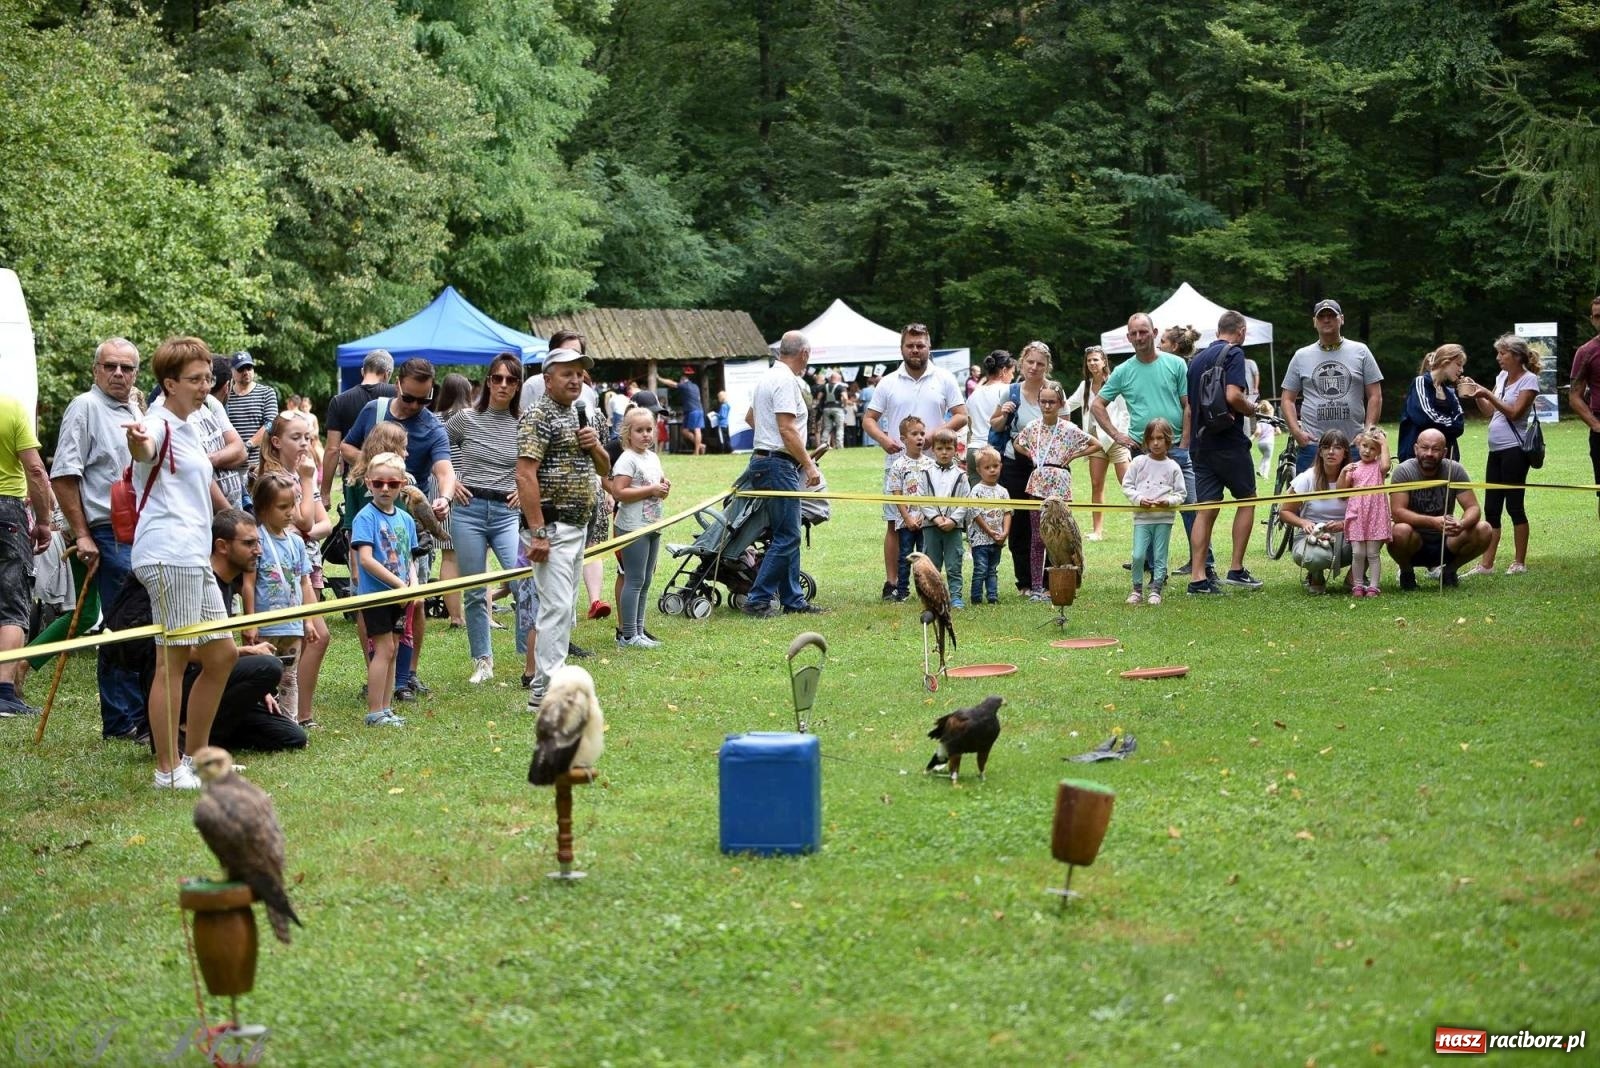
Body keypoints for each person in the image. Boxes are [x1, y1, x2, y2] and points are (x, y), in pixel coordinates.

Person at [126, 337, 238, 789]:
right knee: (170, 662)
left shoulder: (192, 423)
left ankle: (197, 759)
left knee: (223, 654)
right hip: (168, 553)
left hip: (194, 553)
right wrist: (136, 441)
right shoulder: (156, 422)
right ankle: (167, 770)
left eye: (208, 377)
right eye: (195, 379)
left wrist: (230, 515)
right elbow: (143, 447)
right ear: (168, 384)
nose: (205, 386)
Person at [49, 338, 149, 740]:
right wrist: (84, 534)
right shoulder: (84, 407)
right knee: (124, 621)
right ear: (96, 370)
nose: (118, 374)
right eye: (110, 366)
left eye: (126, 368)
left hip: (141, 530)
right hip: (107, 531)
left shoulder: (136, 409)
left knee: (139, 619)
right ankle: (122, 719)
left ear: (136, 374)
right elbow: (63, 475)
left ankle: (141, 713)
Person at [340, 357, 458, 698]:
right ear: (398, 385)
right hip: (368, 517)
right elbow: (346, 446)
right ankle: (377, 672)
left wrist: (445, 499)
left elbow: (444, 470)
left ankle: (406, 675)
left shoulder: (432, 427)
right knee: (371, 599)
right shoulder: (374, 411)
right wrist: (374, 464)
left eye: (424, 400)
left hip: (407, 523)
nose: (416, 406)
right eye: (409, 398)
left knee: (415, 600)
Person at [518, 347, 613, 710]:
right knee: (556, 608)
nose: (575, 380)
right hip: (551, 526)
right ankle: (546, 691)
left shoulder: (578, 413)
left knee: (564, 609)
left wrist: (595, 446)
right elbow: (525, 473)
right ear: (547, 378)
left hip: (578, 525)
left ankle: (548, 686)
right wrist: (538, 531)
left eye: (579, 373)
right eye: (566, 373)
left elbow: (604, 470)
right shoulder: (538, 415)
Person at [863, 324, 967, 601]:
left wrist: (935, 435)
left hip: (935, 467)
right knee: (895, 523)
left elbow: (961, 415)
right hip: (899, 465)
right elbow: (868, 419)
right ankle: (892, 582)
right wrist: (884, 440)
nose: (915, 350)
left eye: (920, 345)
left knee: (932, 524)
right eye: (910, 345)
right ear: (902, 348)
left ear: (928, 346)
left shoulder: (943, 378)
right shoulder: (888, 381)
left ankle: (929, 580)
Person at [1091, 314, 1195, 575]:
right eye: (1134, 334)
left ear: (1154, 332)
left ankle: (1204, 564)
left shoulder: (1176, 364)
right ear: (1128, 337)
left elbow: (1187, 405)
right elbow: (1097, 405)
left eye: (1143, 332)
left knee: (1191, 507)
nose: (1138, 338)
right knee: (1147, 509)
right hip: (1142, 451)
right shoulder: (1124, 371)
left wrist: (1184, 442)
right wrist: (1118, 436)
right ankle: (1151, 565)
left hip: (1177, 451)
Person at [446, 353, 523, 684]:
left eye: (510, 379)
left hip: (507, 512)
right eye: (497, 378)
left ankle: (529, 656)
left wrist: (524, 488)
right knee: (475, 589)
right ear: (488, 381)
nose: (503, 384)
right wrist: (453, 480)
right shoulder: (465, 418)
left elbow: (535, 464)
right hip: (469, 510)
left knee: (523, 581)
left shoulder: (523, 423)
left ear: (518, 385)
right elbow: (438, 446)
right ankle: (483, 661)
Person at [252, 410, 332, 726]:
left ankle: (298, 713)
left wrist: (305, 530)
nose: (304, 444)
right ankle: (295, 715)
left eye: (308, 438)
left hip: (303, 561)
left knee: (313, 638)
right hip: (278, 571)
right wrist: (310, 480)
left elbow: (321, 523)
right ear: (276, 441)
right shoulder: (275, 479)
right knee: (314, 637)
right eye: (295, 438)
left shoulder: (298, 473)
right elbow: (307, 520)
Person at [738, 331, 823, 618]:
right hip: (779, 463)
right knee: (788, 535)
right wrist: (808, 464)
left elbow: (751, 419)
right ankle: (758, 599)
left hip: (765, 461)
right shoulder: (787, 381)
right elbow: (787, 428)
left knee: (786, 532)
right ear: (804, 354)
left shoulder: (767, 378)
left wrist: (767, 439)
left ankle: (793, 599)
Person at [1184, 311, 1264, 594]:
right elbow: (1233, 396)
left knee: (1206, 509)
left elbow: (1191, 407)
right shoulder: (1235, 354)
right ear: (1240, 331)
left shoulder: (1195, 361)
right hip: (1228, 441)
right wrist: (1253, 408)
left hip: (1200, 444)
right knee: (1247, 499)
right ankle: (1236, 569)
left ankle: (1198, 578)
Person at [1459, 333, 1541, 576]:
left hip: (1515, 452)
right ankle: (1486, 564)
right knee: (1492, 508)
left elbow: (1515, 413)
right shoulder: (1503, 377)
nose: (1498, 358)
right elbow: (1489, 412)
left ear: (1516, 356)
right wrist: (1477, 395)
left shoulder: (1529, 381)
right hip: (1495, 451)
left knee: (1515, 506)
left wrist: (1488, 394)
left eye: (1502, 353)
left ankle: (1519, 562)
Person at [1013, 380, 1101, 598]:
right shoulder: (1033, 427)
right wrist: (1030, 454)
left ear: (1061, 403)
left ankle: (1057, 583)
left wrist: (1073, 455)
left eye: (1052, 402)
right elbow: (1018, 442)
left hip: (1060, 484)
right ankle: (1035, 587)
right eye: (1043, 402)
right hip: (1038, 481)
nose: (1047, 406)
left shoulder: (1069, 429)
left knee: (1061, 537)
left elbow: (1096, 444)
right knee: (1037, 537)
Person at [352, 452, 417, 727]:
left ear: (402, 484)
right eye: (378, 483)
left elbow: (409, 558)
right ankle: (374, 711)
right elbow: (365, 560)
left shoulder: (406, 519)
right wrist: (399, 585)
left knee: (392, 648)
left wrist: (413, 586)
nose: (385, 489)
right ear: (368, 483)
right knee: (382, 649)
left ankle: (386, 708)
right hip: (377, 596)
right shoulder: (365, 518)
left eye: (392, 483)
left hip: (401, 597)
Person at [1280, 299, 1382, 473]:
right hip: (1313, 446)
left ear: (1341, 319)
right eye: (1321, 317)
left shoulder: (1361, 351)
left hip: (1354, 445)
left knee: (1354, 500)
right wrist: (1297, 433)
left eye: (1331, 316)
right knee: (1310, 499)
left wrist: (1367, 432)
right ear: (1314, 322)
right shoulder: (1301, 356)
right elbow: (1287, 399)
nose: (1326, 320)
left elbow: (1375, 396)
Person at [241, 473, 313, 718]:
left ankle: (289, 721)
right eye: (282, 507)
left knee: (289, 678)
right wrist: (250, 622)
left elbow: (304, 583)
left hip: (292, 625)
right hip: (266, 626)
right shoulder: (256, 540)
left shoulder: (297, 543)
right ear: (262, 508)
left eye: (292, 505)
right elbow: (248, 584)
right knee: (263, 678)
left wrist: (308, 620)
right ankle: (261, 720)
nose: (290, 512)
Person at [0, 394, 53, 717]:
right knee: (12, 600)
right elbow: (35, 469)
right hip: (7, 510)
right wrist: (45, 522)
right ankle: (4, 692)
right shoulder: (11, 408)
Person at [1387, 428, 1491, 589]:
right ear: (1415, 449)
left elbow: (1473, 508)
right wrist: (1432, 522)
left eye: (1435, 449)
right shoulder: (1404, 471)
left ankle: (1450, 570)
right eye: (1424, 447)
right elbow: (1397, 512)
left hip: (1448, 539)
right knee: (1398, 531)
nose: (1429, 453)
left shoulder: (1454, 470)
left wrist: (1461, 524)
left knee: (1484, 529)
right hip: (1414, 541)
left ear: (1444, 452)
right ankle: (1406, 572)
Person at [988, 341, 1052, 594]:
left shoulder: (1054, 391)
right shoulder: (1011, 391)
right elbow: (994, 425)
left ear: (1047, 366)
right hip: (1015, 464)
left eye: (1040, 363)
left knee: (1049, 523)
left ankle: (1049, 580)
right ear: (1022, 363)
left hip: (1048, 466)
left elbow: (1066, 428)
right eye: (1030, 362)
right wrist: (1003, 414)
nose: (1034, 367)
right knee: (1020, 524)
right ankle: (1025, 582)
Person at [610, 408, 671, 646]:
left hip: (652, 524)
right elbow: (619, 492)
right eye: (639, 430)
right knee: (634, 580)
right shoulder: (627, 459)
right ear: (628, 433)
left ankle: (639, 631)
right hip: (632, 527)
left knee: (646, 579)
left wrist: (664, 487)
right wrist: (652, 490)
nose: (645, 435)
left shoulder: (652, 457)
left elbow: (658, 488)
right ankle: (628, 635)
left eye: (649, 430)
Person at [1065, 345, 1130, 541]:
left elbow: (1125, 412)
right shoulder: (1085, 386)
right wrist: (1049, 402)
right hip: (1095, 440)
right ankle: (1097, 530)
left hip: (1116, 438)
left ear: (1104, 362)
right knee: (1096, 484)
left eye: (1096, 359)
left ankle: (1143, 521)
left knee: (1128, 484)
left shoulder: (1113, 382)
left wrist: (1122, 436)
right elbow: (1068, 404)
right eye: (1089, 360)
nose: (1092, 363)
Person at [1120, 418, 1185, 605]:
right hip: (1142, 518)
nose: (1156, 443)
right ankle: (1137, 589)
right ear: (1146, 441)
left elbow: (1181, 493)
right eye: (1152, 439)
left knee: (1160, 555)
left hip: (1164, 518)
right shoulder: (1139, 462)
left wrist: (1169, 501)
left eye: (1160, 438)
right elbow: (1127, 486)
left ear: (1168, 441)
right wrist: (1139, 499)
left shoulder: (1173, 466)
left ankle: (1156, 589)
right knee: (1138, 555)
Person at [1280, 430, 1354, 594]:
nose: (1331, 452)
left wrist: (1343, 524)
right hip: (1313, 535)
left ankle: (1355, 576)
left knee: (1376, 532)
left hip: (1348, 535)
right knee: (1317, 557)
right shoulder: (1307, 477)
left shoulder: (1356, 478)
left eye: (1337, 448)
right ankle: (1316, 575)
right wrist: (1304, 522)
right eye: (1326, 447)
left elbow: (1368, 515)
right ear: (1320, 452)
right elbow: (1284, 512)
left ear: (1345, 452)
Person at [321, 349, 396, 507]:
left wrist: (325, 493)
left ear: (363, 371)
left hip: (354, 481)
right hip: (392, 482)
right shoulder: (397, 396)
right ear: (387, 373)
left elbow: (332, 449)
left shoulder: (339, 401)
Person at [431, 373, 474, 629]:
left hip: (440, 486)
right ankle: (483, 614)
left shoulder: (434, 420)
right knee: (474, 554)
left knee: (448, 555)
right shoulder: (473, 418)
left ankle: (456, 617)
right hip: (468, 485)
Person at [918, 428, 969, 609]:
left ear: (955, 449)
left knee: (954, 563)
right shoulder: (925, 472)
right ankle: (933, 597)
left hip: (953, 528)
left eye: (948, 448)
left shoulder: (961, 475)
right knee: (932, 564)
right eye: (940, 448)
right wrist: (936, 518)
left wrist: (953, 520)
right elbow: (921, 497)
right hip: (931, 526)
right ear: (933, 450)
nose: (944, 452)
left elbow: (965, 501)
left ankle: (955, 597)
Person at [1338, 427, 1392, 596]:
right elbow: (1341, 492)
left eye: (1373, 448)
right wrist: (1343, 472)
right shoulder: (1353, 468)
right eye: (1364, 446)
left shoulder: (1378, 468)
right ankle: (1358, 584)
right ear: (1359, 445)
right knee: (1358, 552)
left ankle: (1374, 586)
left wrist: (1384, 443)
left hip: (1376, 515)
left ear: (1378, 451)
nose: (1367, 451)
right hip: (1357, 515)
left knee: (1372, 553)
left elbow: (1386, 464)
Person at [887, 417, 931, 602]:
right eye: (914, 434)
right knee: (905, 557)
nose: (920, 438)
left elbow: (932, 493)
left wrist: (925, 516)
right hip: (906, 522)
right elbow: (897, 494)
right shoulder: (898, 465)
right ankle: (902, 591)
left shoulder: (930, 464)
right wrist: (907, 518)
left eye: (922, 433)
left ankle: (925, 591)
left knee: (924, 559)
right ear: (904, 439)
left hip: (926, 520)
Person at [1397, 345, 1466, 461]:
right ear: (1445, 362)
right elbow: (1424, 418)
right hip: (1416, 458)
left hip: (1446, 459)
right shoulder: (1420, 383)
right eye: (1458, 364)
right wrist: (1450, 423)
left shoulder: (1450, 392)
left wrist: (1440, 423)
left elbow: (1459, 426)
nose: (1461, 370)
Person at [221, 351, 280, 487]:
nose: (246, 372)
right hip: (231, 467)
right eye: (241, 369)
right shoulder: (225, 395)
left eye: (249, 367)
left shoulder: (266, 392)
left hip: (260, 465)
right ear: (232, 371)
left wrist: (247, 445)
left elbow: (271, 424)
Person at [965, 446, 1010, 605]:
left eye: (995, 466)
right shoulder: (976, 491)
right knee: (980, 570)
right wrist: (989, 531)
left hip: (997, 539)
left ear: (1001, 466)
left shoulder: (1003, 492)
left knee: (992, 570)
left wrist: (1004, 532)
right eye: (987, 467)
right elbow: (975, 513)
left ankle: (993, 597)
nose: (992, 470)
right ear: (978, 470)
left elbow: (1007, 512)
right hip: (980, 540)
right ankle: (976, 598)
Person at [1569, 294, 1600, 520]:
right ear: (1592, 319)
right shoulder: (1586, 352)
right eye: (1598, 316)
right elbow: (1575, 396)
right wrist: (1596, 425)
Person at [964, 350, 1014, 480]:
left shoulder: (974, 394)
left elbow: (968, 425)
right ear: (1003, 371)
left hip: (972, 451)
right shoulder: (1006, 391)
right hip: (992, 454)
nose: (1013, 377)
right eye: (1012, 372)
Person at [817, 371, 847, 451]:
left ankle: (823, 445)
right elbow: (845, 397)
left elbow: (819, 397)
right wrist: (844, 405)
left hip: (826, 408)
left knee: (827, 427)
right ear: (838, 379)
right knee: (840, 427)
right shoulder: (840, 387)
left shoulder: (824, 386)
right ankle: (839, 445)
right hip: (837, 408)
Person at [1252, 401, 1277, 477]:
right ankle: (1265, 475)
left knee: (1264, 457)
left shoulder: (1260, 422)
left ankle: (1260, 470)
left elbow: (1258, 432)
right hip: (1269, 443)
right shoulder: (1272, 422)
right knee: (1267, 459)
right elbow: (1278, 432)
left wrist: (1253, 437)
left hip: (1260, 444)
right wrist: (1272, 434)